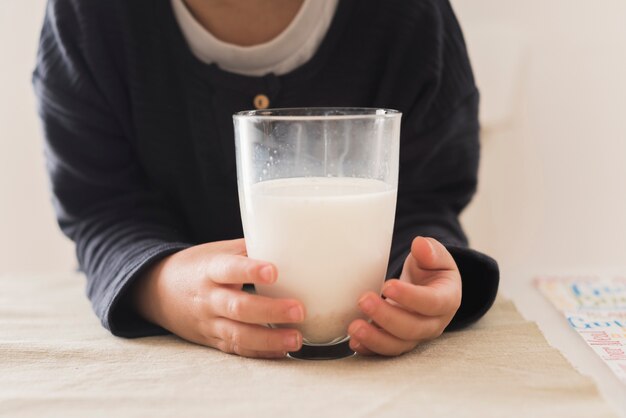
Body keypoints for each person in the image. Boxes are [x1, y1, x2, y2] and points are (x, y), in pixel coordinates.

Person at [33, 0, 499, 358]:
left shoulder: (409, 16)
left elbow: (427, 198)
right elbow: (100, 208)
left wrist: (421, 282)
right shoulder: (89, 17)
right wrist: (160, 286)